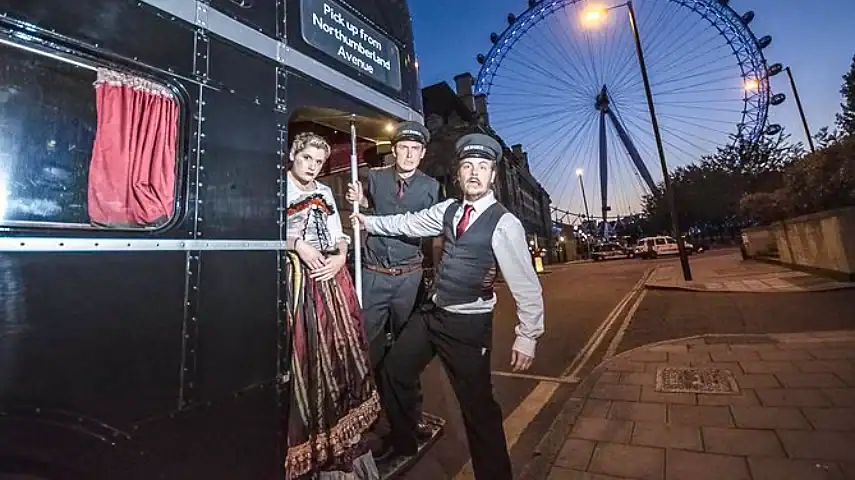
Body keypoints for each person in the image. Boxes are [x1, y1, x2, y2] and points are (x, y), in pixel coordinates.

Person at [352, 133, 546, 480]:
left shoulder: (505, 224)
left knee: (478, 409)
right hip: (432, 315)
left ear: (492, 177)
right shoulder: (449, 209)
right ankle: (404, 440)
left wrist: (527, 335)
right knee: (394, 370)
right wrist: (368, 221)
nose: (474, 173)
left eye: (482, 167)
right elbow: (408, 223)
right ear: (457, 174)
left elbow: (526, 285)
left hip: (468, 327)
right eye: (468, 166)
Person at [284, 132, 380, 480]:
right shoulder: (278, 187)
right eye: (307, 158)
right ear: (294, 155)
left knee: (341, 352)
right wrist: (297, 244)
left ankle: (343, 433)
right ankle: (313, 443)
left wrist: (341, 257)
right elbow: (262, 228)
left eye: (318, 162)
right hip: (297, 280)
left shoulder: (324, 191)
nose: (312, 167)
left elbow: (337, 234)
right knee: (308, 356)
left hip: (331, 279)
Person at [345, 121, 441, 449]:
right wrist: (357, 196)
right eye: (404, 148)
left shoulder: (431, 187)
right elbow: (360, 204)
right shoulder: (374, 177)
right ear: (395, 149)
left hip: (409, 280)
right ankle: (365, 418)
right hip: (373, 275)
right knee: (366, 349)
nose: (410, 154)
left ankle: (412, 418)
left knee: (406, 353)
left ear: (423, 153)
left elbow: (433, 233)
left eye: (416, 149)